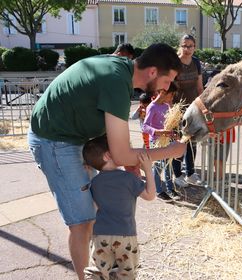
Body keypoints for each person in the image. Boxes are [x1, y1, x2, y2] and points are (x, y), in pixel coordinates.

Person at [28, 43, 186, 280]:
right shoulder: (116, 82)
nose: (167, 88)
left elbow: (118, 143)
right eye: (167, 81)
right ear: (152, 72)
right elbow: (121, 154)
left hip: (75, 137)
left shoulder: (121, 71)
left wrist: (132, 160)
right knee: (82, 222)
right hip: (55, 141)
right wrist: (172, 151)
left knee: (93, 216)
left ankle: (100, 272)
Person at [82, 135, 155, 280]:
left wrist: (89, 170)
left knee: (97, 271)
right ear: (108, 155)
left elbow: (96, 206)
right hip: (125, 235)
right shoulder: (128, 178)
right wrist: (148, 170)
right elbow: (150, 195)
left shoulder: (94, 182)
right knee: (126, 273)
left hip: (100, 234)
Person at [173, 34, 204, 188]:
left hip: (193, 109)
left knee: (192, 142)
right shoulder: (175, 63)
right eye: (184, 45)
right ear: (180, 46)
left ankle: (190, 173)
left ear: (194, 47)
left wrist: (203, 107)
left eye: (190, 46)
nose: (187, 49)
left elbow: (199, 87)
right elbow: (169, 87)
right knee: (179, 142)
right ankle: (177, 175)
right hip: (177, 110)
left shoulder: (197, 63)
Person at [142, 82, 180, 201]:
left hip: (167, 140)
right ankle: (158, 191)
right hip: (156, 142)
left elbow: (169, 125)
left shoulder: (166, 106)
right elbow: (145, 127)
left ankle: (170, 188)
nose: (172, 98)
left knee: (169, 166)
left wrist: (173, 134)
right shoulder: (152, 107)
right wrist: (160, 132)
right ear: (163, 92)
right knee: (158, 166)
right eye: (171, 95)